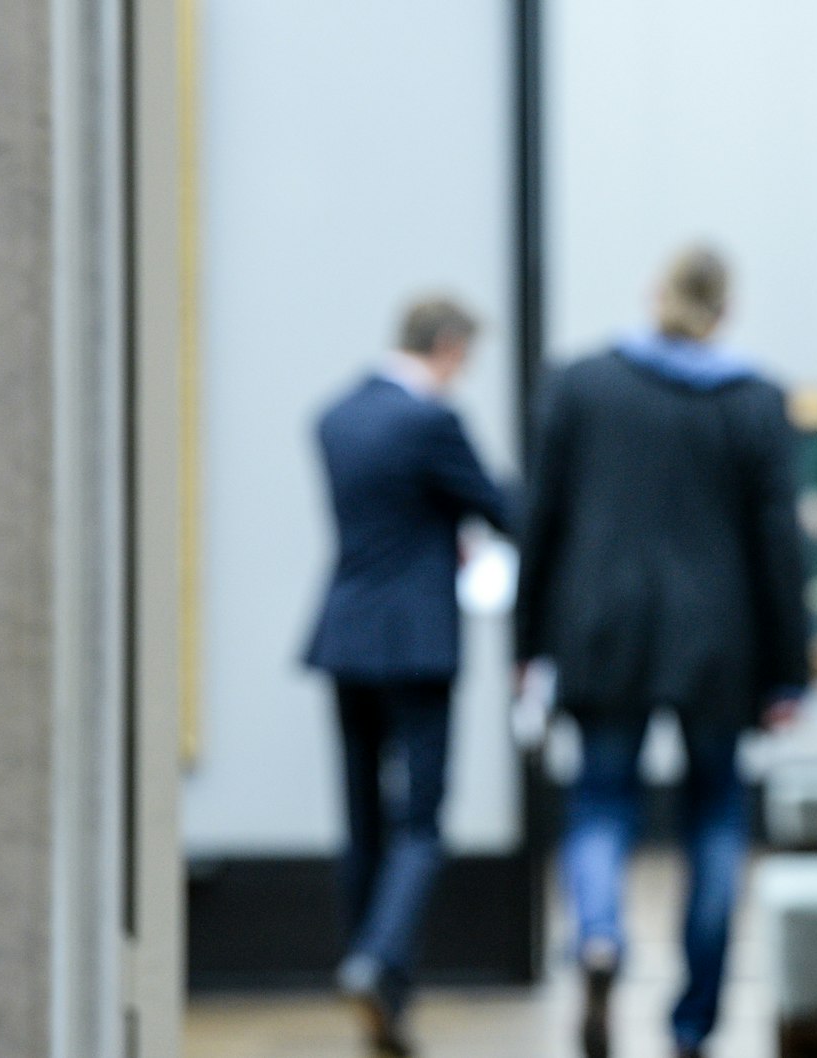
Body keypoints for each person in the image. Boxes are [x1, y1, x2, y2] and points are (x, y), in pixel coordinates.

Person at [516, 246, 811, 1058]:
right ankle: (693, 1023)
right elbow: (778, 546)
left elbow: (540, 522)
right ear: (725, 311)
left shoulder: (581, 385)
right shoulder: (754, 400)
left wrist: (528, 644)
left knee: (601, 802)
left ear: (655, 295)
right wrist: (792, 670)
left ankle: (601, 938)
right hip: (721, 641)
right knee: (715, 813)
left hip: (602, 630)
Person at [302, 295, 513, 1057]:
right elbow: (496, 507)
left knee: (361, 821)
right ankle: (377, 960)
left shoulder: (336, 416)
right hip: (417, 641)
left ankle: (381, 990)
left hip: (344, 634)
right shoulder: (430, 421)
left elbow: (392, 518)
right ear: (450, 345)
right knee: (419, 823)